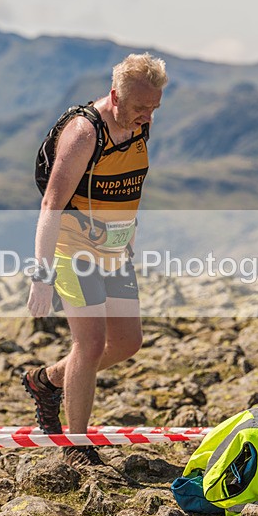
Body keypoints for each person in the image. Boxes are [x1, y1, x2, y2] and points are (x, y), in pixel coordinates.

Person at [24, 53, 168, 468]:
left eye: (154, 107)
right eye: (140, 107)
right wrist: (41, 275)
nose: (146, 117)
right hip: (72, 249)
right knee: (89, 345)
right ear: (114, 95)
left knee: (127, 342)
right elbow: (52, 204)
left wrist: (129, 241)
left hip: (114, 252)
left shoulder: (142, 124)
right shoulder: (85, 133)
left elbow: (127, 186)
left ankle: (48, 380)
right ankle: (75, 445)